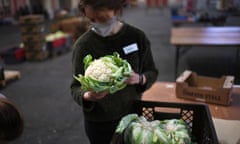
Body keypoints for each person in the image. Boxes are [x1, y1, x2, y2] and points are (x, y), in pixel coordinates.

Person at [70, 0, 158, 143]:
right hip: (100, 124)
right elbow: (75, 87)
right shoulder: (83, 45)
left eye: (102, 18)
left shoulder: (136, 37)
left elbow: (152, 71)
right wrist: (87, 95)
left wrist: (140, 79)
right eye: (92, 19)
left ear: (116, 10)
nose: (97, 24)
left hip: (133, 116)